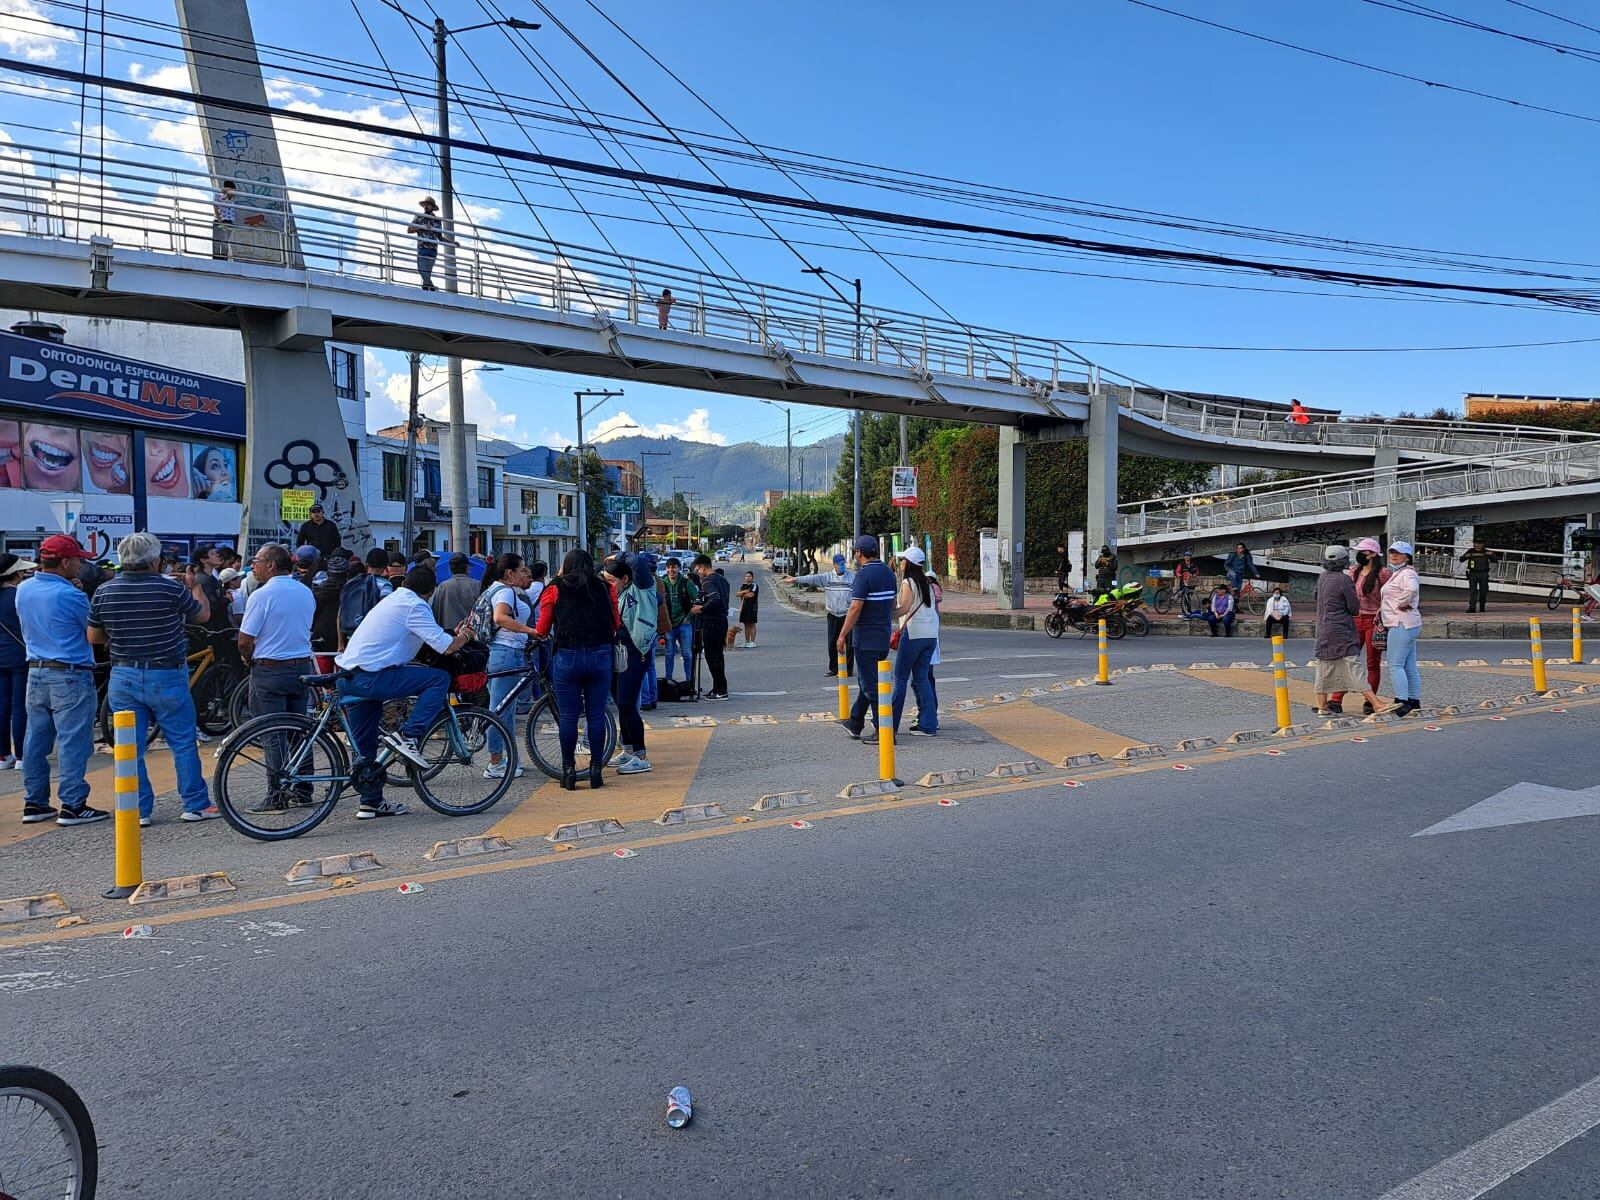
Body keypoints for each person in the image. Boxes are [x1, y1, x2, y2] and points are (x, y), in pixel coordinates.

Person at [89, 530, 217, 824]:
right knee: (182, 741)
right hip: (167, 674)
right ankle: (195, 804)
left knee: (128, 747)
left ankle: (138, 809)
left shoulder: (105, 592)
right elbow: (202, 616)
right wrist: (194, 585)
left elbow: (94, 636)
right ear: (155, 561)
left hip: (124, 673)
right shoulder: (170, 590)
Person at [335, 566, 474, 817]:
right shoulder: (416, 605)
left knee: (365, 746)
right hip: (373, 678)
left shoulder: (393, 599)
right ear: (430, 592)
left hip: (349, 676)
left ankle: (370, 801)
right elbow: (446, 647)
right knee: (438, 678)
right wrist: (464, 635)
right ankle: (409, 736)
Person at [15, 536, 102, 825]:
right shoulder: (71, 596)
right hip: (70, 673)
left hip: (36, 671)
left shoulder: (23, 589)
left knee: (36, 742)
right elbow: (93, 631)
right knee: (72, 741)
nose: (80, 565)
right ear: (65, 562)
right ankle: (73, 804)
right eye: (78, 559)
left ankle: (35, 802)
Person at [533, 549, 622, 790]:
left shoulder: (554, 588)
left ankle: (568, 770)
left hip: (567, 656)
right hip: (600, 654)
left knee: (569, 716)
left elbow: (542, 628)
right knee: (596, 714)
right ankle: (595, 769)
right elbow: (616, 622)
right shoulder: (605, 587)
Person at [237, 543, 316, 801]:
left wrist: (248, 658)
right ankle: (304, 788)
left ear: (271, 564)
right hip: (301, 667)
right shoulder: (304, 591)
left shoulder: (262, 595)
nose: (253, 566)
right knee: (299, 730)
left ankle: (277, 793)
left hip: (270, 670)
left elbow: (245, 640)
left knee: (273, 733)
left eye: (257, 560)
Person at [479, 554, 537, 781]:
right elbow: (501, 617)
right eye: (522, 570)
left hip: (501, 653)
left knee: (506, 710)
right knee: (500, 711)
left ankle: (509, 758)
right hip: (506, 652)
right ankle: (495, 762)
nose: (526, 574)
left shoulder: (494, 588)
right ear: (509, 573)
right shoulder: (504, 591)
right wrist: (531, 631)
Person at [835, 535, 897, 744]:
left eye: (855, 552)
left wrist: (842, 634)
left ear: (860, 553)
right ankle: (855, 722)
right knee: (867, 682)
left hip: (865, 639)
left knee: (872, 687)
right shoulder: (889, 574)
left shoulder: (863, 576)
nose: (854, 555)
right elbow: (892, 605)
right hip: (882, 638)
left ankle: (884, 732)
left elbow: (855, 607)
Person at [1312, 545, 1384, 717]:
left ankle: (1322, 706)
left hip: (1323, 629)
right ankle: (1376, 703)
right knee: (1353, 666)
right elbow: (1354, 608)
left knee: (1324, 667)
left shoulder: (1322, 577)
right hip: (1341, 630)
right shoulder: (1344, 580)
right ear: (1343, 561)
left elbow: (1316, 596)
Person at [1329, 538, 1390, 715]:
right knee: (1346, 660)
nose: (1358, 555)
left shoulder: (1384, 574)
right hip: (1354, 620)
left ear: (1372, 554)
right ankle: (1336, 699)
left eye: (1362, 551)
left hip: (1374, 621)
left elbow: (1390, 597)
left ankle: (1369, 702)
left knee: (1373, 662)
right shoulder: (1354, 572)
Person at [612, 555, 657, 775]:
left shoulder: (643, 589)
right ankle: (628, 749)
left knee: (627, 702)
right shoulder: (620, 595)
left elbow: (638, 563)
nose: (610, 583)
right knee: (621, 703)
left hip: (637, 650)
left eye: (613, 579)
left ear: (626, 578)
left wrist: (619, 555)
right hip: (622, 651)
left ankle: (641, 755)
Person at [890, 547, 939, 738]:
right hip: (930, 635)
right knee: (922, 678)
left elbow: (904, 609)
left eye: (902, 560)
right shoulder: (927, 582)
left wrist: (887, 614)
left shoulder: (908, 582)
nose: (900, 562)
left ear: (907, 563)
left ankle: (890, 724)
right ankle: (928, 725)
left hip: (914, 634)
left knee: (900, 678)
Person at [786, 553, 855, 677]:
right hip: (833, 614)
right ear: (834, 565)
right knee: (832, 642)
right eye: (840, 564)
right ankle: (834, 668)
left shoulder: (852, 577)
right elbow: (811, 579)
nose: (842, 566)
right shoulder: (827, 577)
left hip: (847, 614)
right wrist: (796, 579)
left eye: (843, 563)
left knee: (850, 643)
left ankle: (848, 670)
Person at [1381, 541, 1423, 716]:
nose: (1394, 555)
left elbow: (1412, 589)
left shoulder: (1407, 573)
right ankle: (1413, 700)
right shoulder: (1398, 573)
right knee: (1409, 665)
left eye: (1398, 553)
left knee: (1395, 665)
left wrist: (1402, 603)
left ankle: (1401, 701)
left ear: (1407, 556)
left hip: (1401, 623)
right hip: (1408, 624)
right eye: (1392, 552)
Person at [0, 553, 33, 770]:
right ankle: (21, 755)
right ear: (16, 573)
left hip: (0, 657)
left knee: (2, 705)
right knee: (19, 706)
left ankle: (3, 756)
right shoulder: (18, 596)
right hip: (20, 655)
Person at [691, 554, 730, 699]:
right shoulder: (723, 580)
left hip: (712, 621)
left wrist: (700, 608)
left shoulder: (708, 581)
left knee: (712, 656)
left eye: (697, 570)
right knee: (718, 655)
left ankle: (720, 690)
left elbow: (715, 600)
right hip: (722, 621)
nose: (698, 573)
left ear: (703, 567)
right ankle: (719, 687)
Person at [659, 555, 699, 687]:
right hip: (668, 625)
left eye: (674, 567)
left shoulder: (687, 583)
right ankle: (668, 681)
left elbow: (697, 602)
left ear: (679, 569)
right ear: (666, 569)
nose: (671, 570)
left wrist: (688, 618)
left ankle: (689, 681)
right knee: (669, 654)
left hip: (684, 624)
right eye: (669, 567)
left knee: (687, 654)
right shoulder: (661, 583)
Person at [407, 196, 448, 290]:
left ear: (433, 207)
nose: (426, 206)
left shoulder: (437, 220)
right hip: (422, 247)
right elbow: (409, 230)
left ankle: (426, 287)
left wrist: (452, 243)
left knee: (427, 272)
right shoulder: (419, 217)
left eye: (429, 205)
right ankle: (431, 287)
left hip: (433, 249)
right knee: (421, 270)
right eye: (425, 204)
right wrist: (422, 227)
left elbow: (440, 237)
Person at [432, 552, 480, 630]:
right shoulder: (477, 585)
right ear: (467, 568)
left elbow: (435, 613)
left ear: (450, 570)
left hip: (447, 635)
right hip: (471, 634)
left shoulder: (442, 586)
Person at [1461, 538, 1496, 613]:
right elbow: (1461, 559)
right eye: (1477, 543)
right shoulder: (1471, 551)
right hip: (1473, 573)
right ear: (1474, 544)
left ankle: (1482, 606)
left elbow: (1495, 560)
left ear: (1483, 544)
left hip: (1483, 573)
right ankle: (1472, 607)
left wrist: (1492, 555)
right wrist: (1466, 556)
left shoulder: (1486, 551)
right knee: (1473, 591)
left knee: (1483, 590)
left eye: (1480, 543)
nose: (1478, 545)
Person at [212, 178, 237, 260]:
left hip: (228, 222)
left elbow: (237, 191)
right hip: (219, 221)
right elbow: (216, 210)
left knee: (224, 240)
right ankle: (216, 258)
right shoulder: (217, 195)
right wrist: (220, 221)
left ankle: (223, 258)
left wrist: (228, 191)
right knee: (217, 240)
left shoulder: (232, 197)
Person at [736, 570, 759, 649]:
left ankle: (752, 642)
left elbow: (751, 595)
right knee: (746, 624)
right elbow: (737, 594)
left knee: (752, 624)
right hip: (744, 607)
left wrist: (743, 593)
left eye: (749, 576)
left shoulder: (754, 585)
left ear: (752, 577)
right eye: (746, 576)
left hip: (752, 607)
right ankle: (747, 641)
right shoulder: (742, 585)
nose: (748, 578)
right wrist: (745, 592)